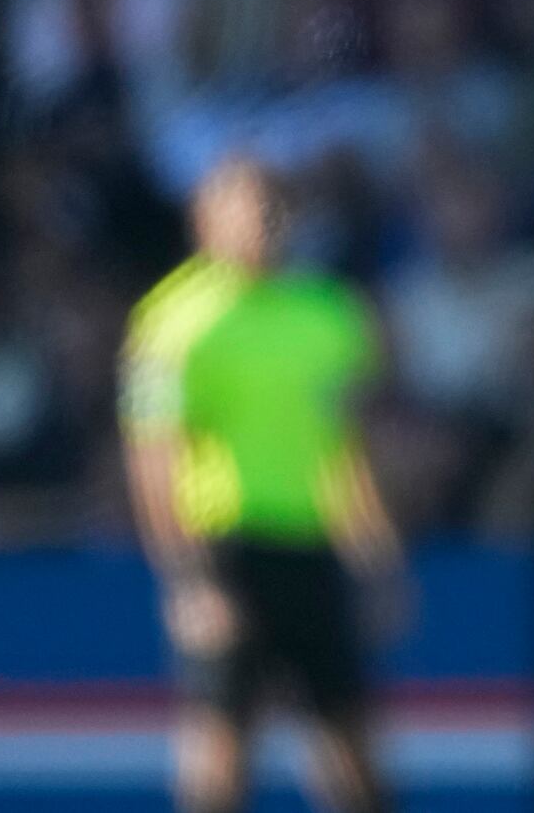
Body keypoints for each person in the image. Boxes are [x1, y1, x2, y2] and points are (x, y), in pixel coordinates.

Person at [122, 157, 408, 813]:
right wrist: (188, 579)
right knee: (221, 750)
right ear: (206, 221)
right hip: (229, 548)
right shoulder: (173, 322)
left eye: (273, 210)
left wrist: (376, 552)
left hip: (309, 547)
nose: (262, 225)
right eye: (246, 209)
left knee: (353, 750)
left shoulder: (329, 316)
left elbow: (348, 449)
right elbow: (154, 456)